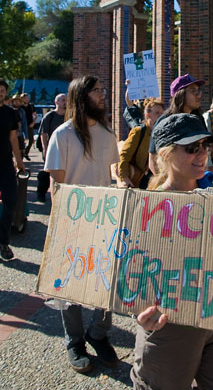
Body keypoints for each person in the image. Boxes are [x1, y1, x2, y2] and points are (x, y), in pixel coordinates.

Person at [131, 113, 213, 390]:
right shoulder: (149, 208)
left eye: (205, 145)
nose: (203, 153)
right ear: (167, 153)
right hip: (169, 325)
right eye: (192, 147)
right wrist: (137, 309)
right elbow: (131, 270)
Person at [44, 76, 120, 374]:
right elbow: (56, 184)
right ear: (81, 96)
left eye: (103, 90)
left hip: (104, 223)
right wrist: (61, 226)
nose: (103, 96)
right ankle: (75, 342)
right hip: (72, 224)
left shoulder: (107, 133)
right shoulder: (62, 135)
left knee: (106, 281)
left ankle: (98, 334)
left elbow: (112, 174)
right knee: (71, 285)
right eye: (97, 91)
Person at [148, 73, 206, 174]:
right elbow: (153, 159)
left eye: (198, 91)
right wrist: (165, 184)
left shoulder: (198, 120)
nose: (199, 95)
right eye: (193, 91)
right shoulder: (164, 122)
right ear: (180, 95)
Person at [0, 79, 26, 261]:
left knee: (10, 202)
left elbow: (13, 139)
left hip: (5, 165)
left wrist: (19, 161)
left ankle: (3, 242)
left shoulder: (10, 114)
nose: (0, 93)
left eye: (2, 90)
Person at [115, 97, 164, 189]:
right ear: (148, 115)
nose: (160, 116)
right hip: (137, 180)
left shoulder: (161, 133)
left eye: (161, 113)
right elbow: (124, 155)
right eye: (157, 113)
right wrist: (124, 177)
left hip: (152, 179)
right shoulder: (139, 131)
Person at [36, 93, 67, 202]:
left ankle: (62, 195)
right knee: (47, 172)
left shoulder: (69, 116)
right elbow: (43, 134)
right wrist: (45, 149)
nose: (65, 102)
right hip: (52, 150)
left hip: (65, 150)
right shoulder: (49, 116)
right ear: (56, 102)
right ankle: (41, 193)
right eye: (63, 100)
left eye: (66, 100)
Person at [10, 94, 28, 161]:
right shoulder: (9, 110)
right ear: (12, 102)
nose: (17, 102)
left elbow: (24, 123)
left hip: (20, 134)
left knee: (21, 150)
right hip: (11, 134)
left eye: (18, 101)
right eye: (15, 101)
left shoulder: (22, 111)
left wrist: (26, 134)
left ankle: (19, 163)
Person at [20, 92, 36, 159]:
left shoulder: (31, 106)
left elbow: (35, 116)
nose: (26, 99)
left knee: (31, 141)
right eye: (24, 98)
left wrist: (33, 123)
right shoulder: (20, 107)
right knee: (22, 141)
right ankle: (21, 155)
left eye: (27, 98)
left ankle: (26, 153)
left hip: (30, 125)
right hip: (22, 126)